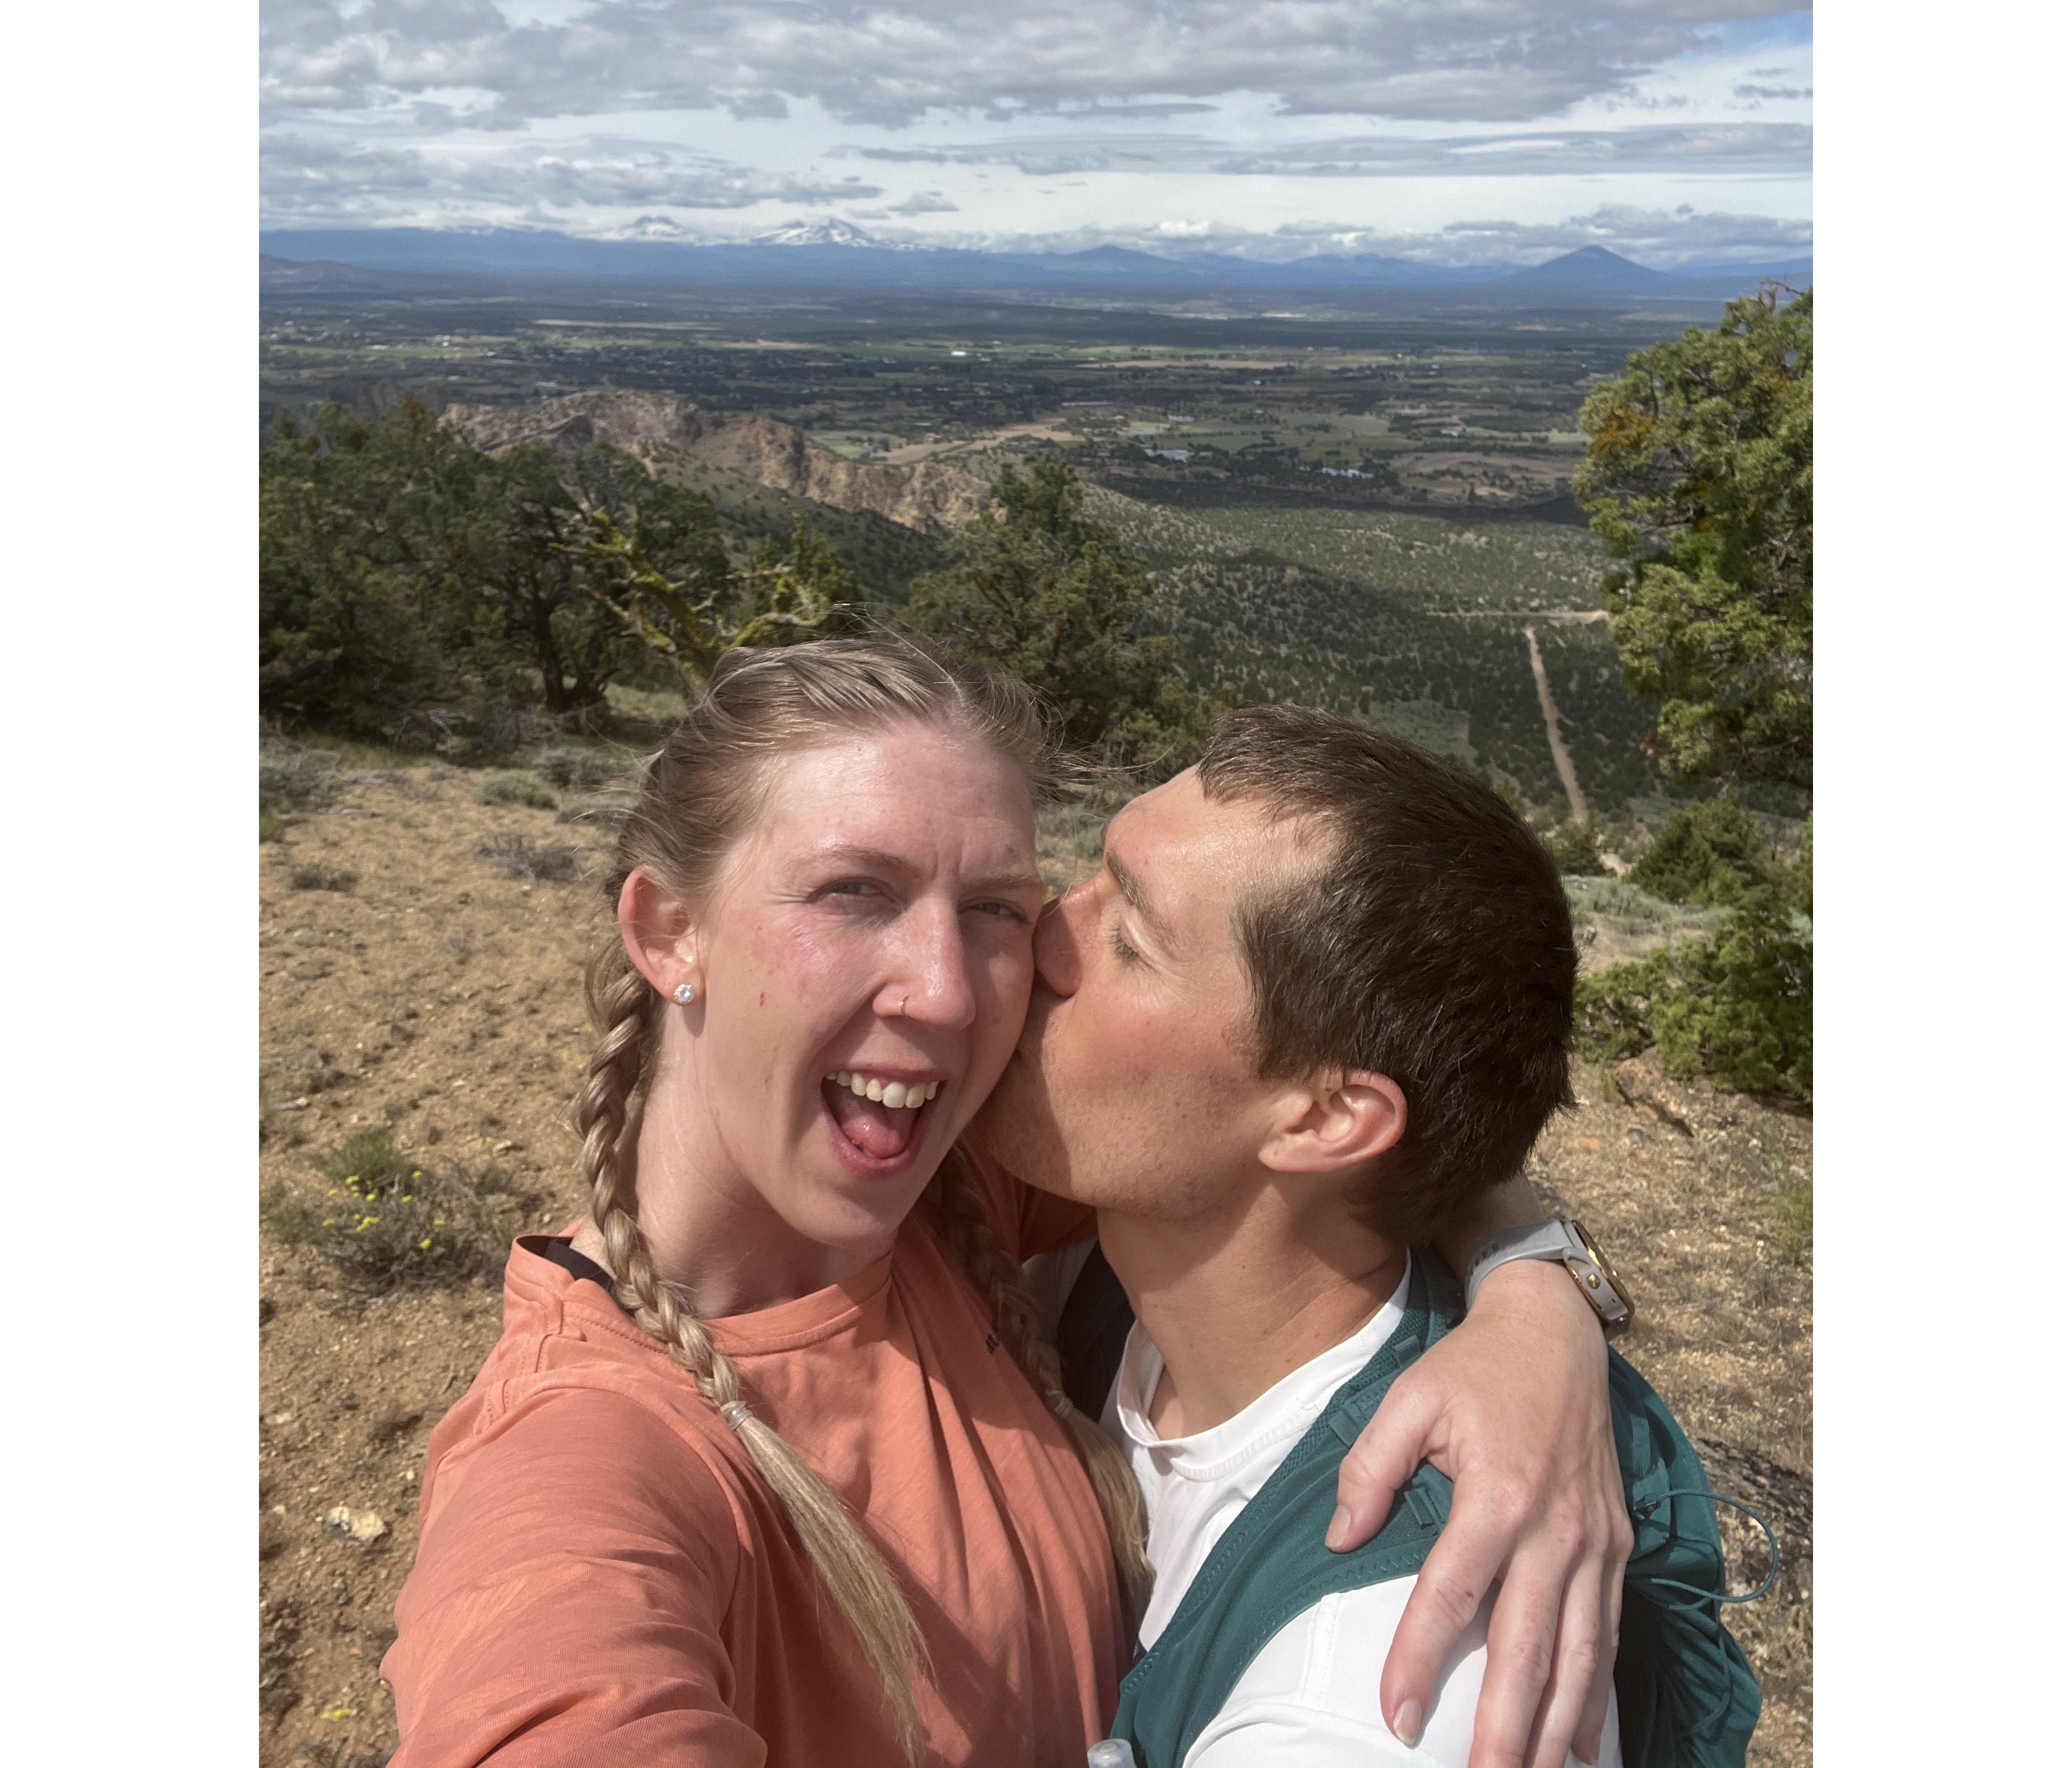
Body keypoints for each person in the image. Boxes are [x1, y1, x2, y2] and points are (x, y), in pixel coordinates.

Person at [383, 639, 1626, 1767]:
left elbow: (1395, 1103)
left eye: (995, 907)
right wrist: (1534, 1286)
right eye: (852, 891)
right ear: (668, 932)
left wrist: (1530, 1284)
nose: (963, 987)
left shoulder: (945, 1185)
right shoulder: (579, 1456)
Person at [977, 706, 1762, 1768]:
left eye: (1129, 939)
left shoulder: (1379, 1698)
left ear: (1320, 1121)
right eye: (1092, 873)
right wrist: (1533, 1273)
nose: (1042, 930)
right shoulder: (1122, 1257)